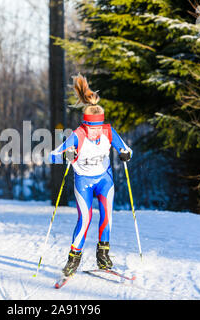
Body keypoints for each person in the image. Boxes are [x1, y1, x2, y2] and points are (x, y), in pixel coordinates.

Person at [50, 74, 133, 277]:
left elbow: (128, 150)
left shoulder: (108, 131)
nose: (95, 132)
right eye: (91, 128)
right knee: (85, 219)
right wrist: (66, 154)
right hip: (84, 181)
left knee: (107, 216)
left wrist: (125, 154)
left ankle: (103, 256)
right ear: (85, 124)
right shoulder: (78, 134)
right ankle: (73, 259)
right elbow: (53, 156)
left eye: (98, 128)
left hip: (104, 180)